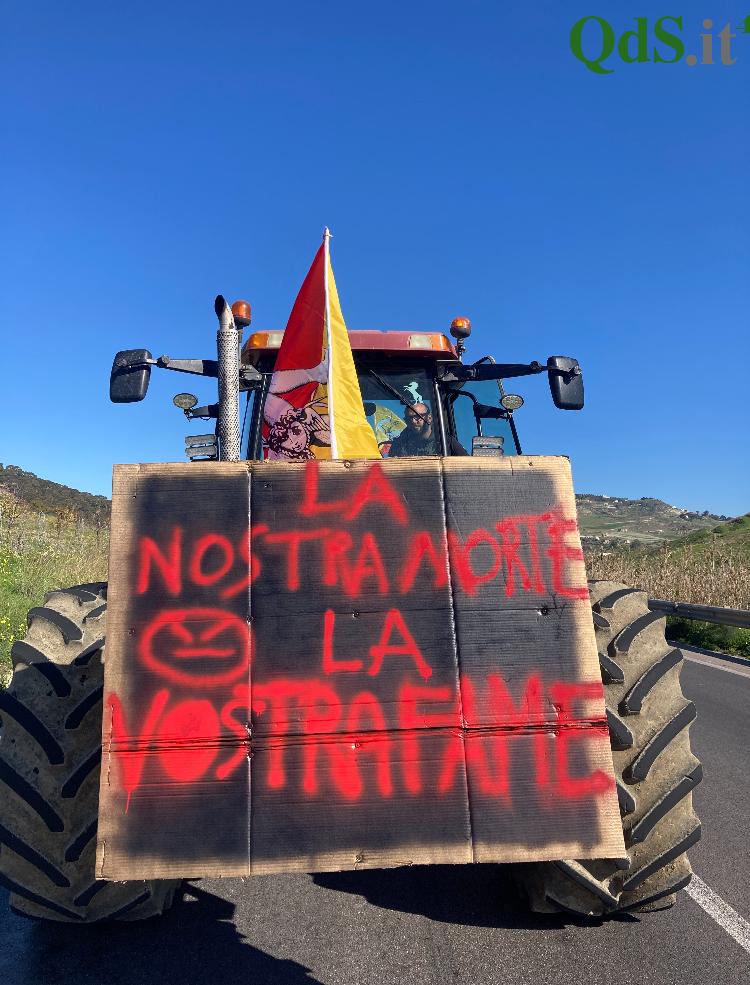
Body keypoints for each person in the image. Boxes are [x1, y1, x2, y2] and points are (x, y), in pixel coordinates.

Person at [388, 402, 468, 457]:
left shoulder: (446, 441)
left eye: (417, 417)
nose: (413, 421)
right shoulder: (399, 444)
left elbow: (466, 464)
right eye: (409, 418)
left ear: (429, 418)